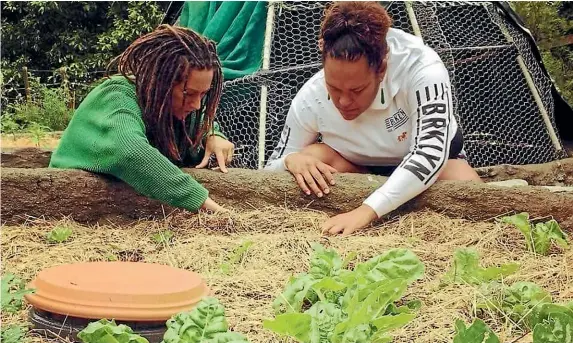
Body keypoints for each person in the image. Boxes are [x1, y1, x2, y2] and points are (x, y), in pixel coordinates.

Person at [265, 2, 483, 236]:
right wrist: (290, 161)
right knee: (309, 158)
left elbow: (429, 154)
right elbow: (268, 172)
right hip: (359, 168)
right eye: (334, 88)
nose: (344, 102)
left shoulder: (422, 68)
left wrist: (365, 212)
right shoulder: (310, 95)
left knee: (467, 188)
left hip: (438, 164)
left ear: (381, 69)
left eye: (357, 90)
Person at [49, 25, 234, 213]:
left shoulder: (176, 107)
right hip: (67, 204)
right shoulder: (117, 95)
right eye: (189, 93)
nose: (196, 104)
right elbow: (129, 151)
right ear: (162, 83)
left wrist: (213, 135)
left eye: (203, 94)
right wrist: (204, 203)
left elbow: (201, 119)